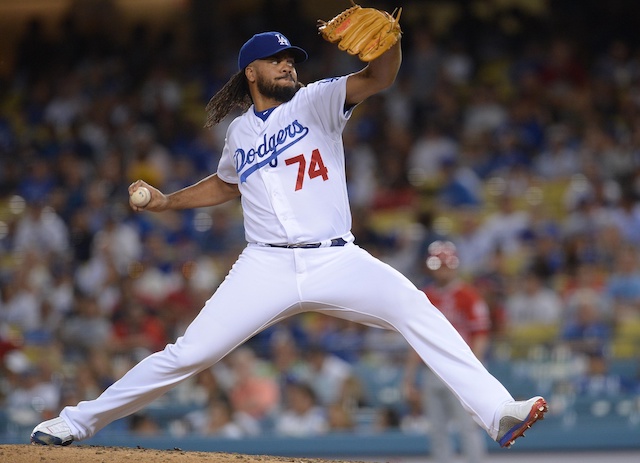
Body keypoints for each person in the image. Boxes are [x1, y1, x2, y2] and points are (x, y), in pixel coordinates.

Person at [31, 24, 546, 449]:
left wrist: (390, 44)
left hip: (335, 258)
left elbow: (379, 77)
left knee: (416, 307)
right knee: (188, 354)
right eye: (277, 60)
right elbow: (225, 183)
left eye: (291, 59)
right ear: (251, 72)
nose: (287, 65)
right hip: (265, 266)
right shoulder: (238, 133)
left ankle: (498, 411)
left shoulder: (317, 100)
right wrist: (168, 201)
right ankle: (76, 422)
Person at [404, 240, 490, 463]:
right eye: (438, 265)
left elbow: (480, 334)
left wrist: (474, 370)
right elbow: (417, 340)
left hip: (460, 369)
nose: (442, 270)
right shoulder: (426, 296)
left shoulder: (468, 296)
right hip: (433, 369)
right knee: (437, 430)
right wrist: (409, 377)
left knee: (467, 427)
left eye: (446, 265)